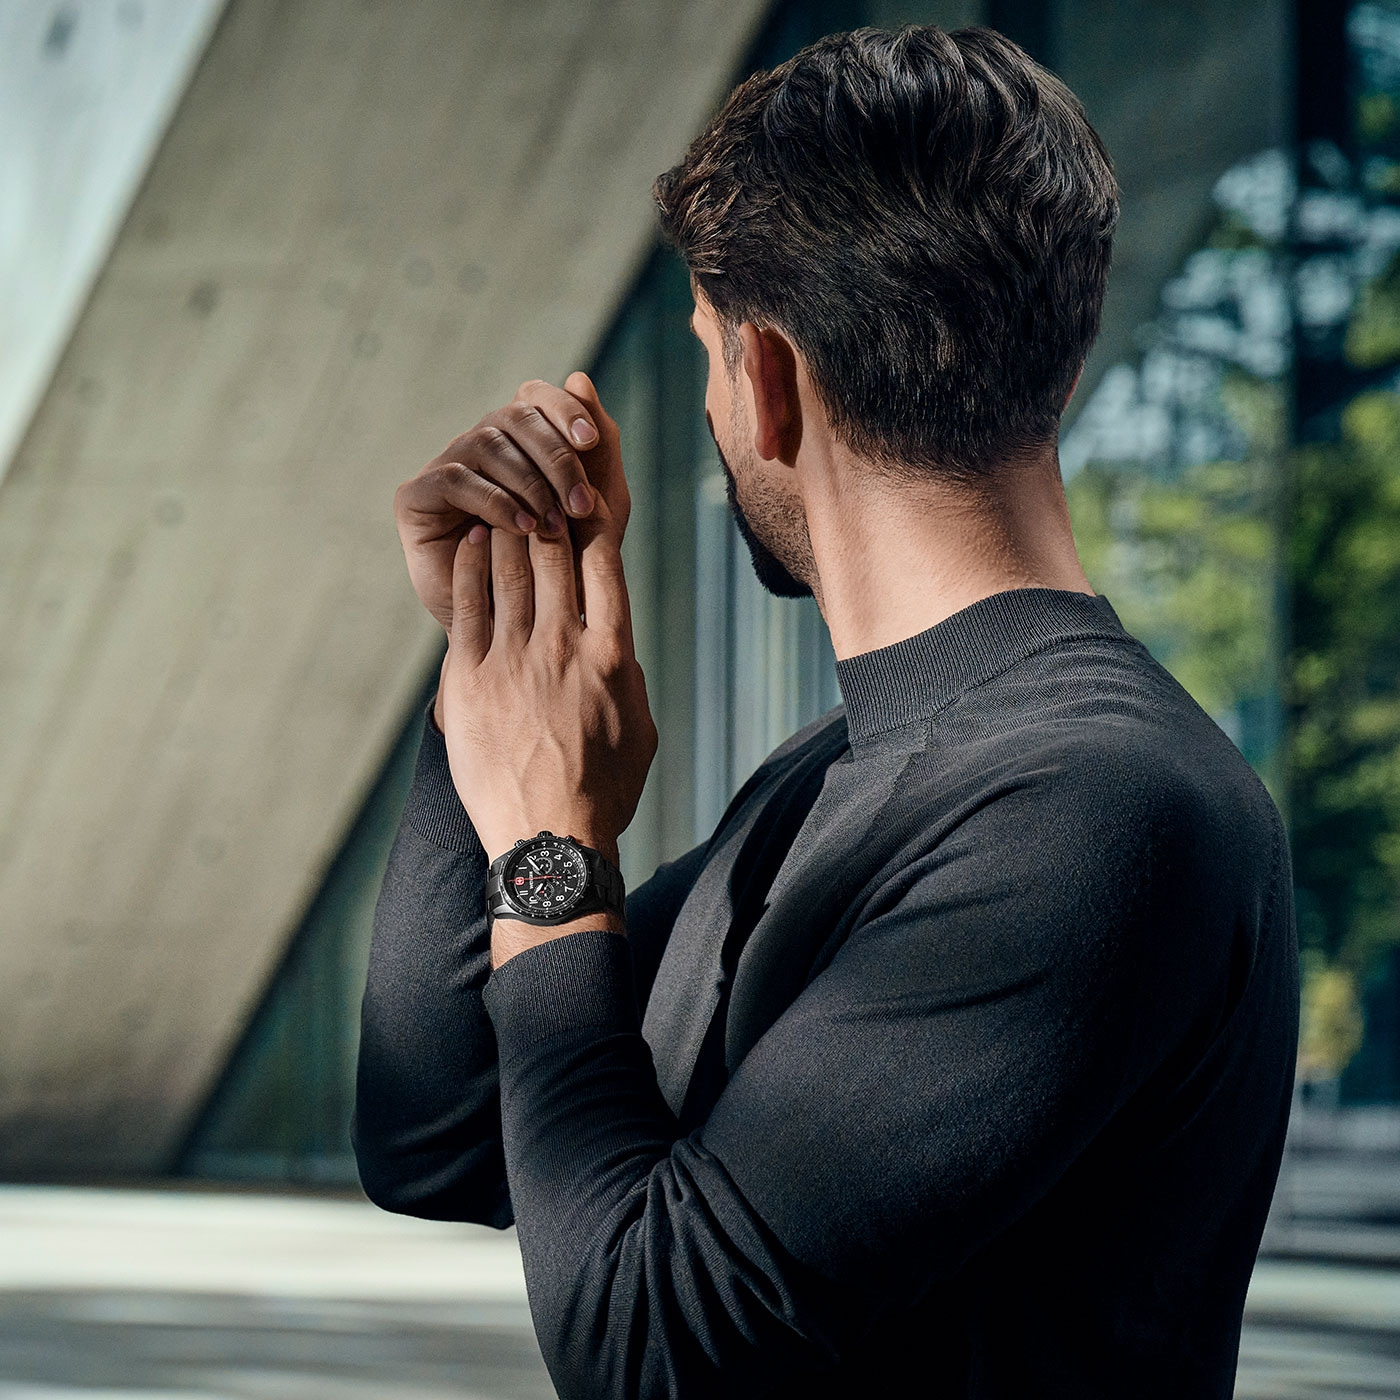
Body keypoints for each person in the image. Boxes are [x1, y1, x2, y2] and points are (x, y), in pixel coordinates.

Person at [353, 23, 1298, 1399]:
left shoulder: (1092, 810)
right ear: (1064, 362)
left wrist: (554, 838)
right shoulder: (837, 780)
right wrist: (499, 644)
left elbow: (649, 1344)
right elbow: (440, 1138)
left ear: (773, 383)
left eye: (707, 359)